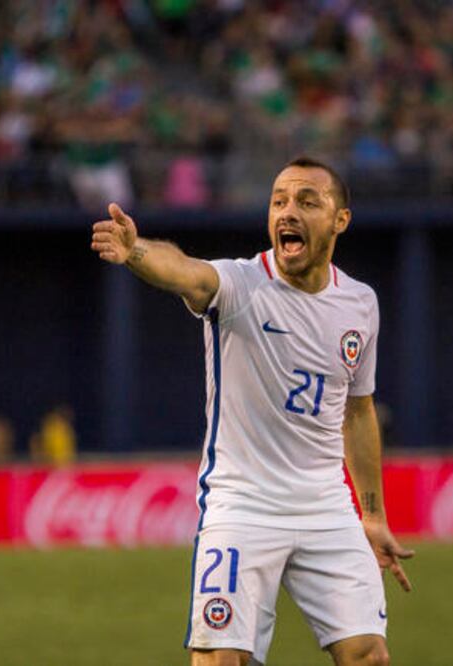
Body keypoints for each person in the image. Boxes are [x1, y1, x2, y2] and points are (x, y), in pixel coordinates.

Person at [91, 156, 412, 666]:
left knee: (368, 655)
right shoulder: (241, 286)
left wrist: (372, 515)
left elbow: (358, 410)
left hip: (326, 505)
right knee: (221, 660)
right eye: (279, 200)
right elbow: (187, 273)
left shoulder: (361, 303)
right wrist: (137, 252)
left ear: (339, 220)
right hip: (243, 504)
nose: (288, 211)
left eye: (307, 201)